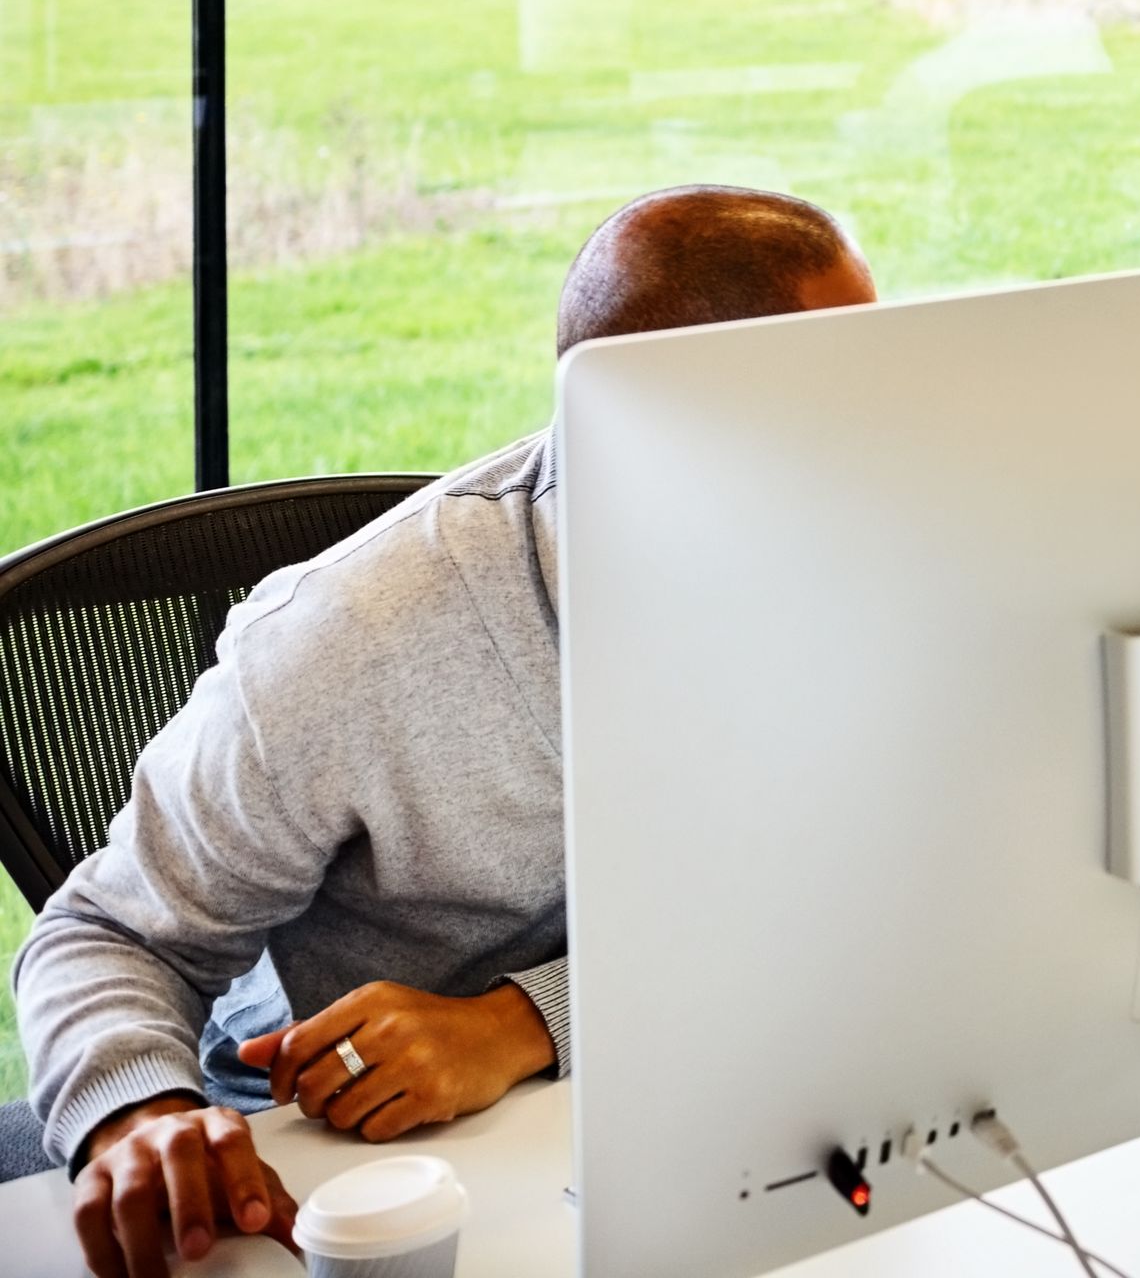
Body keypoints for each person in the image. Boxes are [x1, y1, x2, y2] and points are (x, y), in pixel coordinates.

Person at [14, 186, 877, 1278]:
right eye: (842, 394)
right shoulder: (345, 645)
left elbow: (840, 877)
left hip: (697, 1098)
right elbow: (110, 933)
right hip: (374, 1180)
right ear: (653, 423)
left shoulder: (851, 556)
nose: (879, 430)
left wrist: (527, 1022)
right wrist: (136, 1117)